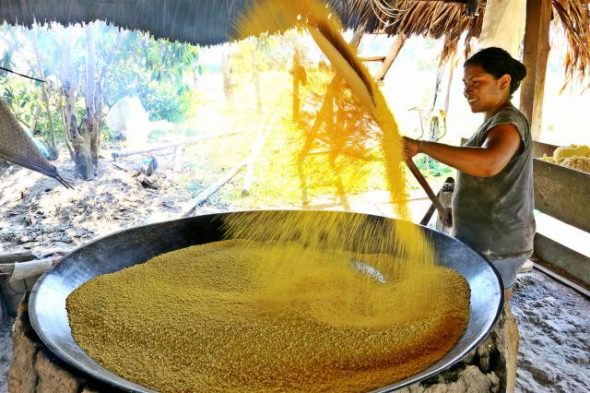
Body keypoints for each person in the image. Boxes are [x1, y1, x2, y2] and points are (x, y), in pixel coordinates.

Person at [403, 47, 535, 301]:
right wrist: (458, 212)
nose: (467, 90)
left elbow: (489, 164)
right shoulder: (493, 120)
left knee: (490, 305)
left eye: (476, 82)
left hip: (498, 241)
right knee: (474, 299)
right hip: (482, 234)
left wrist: (422, 146)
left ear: (504, 82)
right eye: (465, 83)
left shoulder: (508, 123)